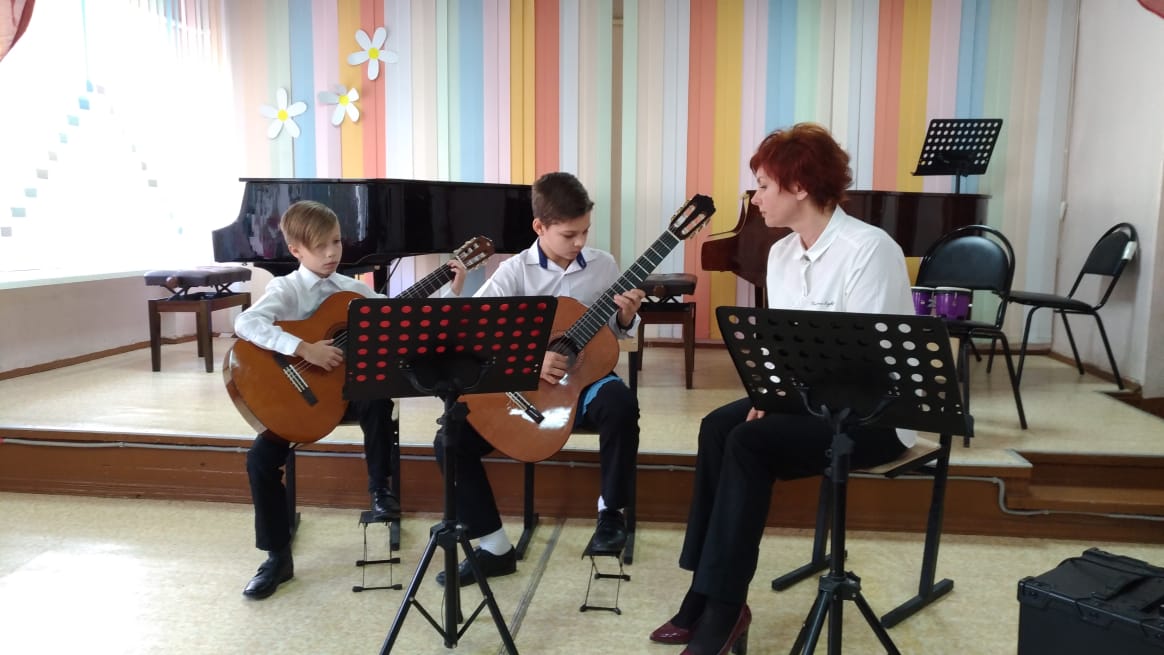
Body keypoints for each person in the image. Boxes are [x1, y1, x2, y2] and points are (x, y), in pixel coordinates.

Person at [650, 123, 914, 654]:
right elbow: (784, 350)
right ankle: (704, 590)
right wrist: (769, 395)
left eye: (764, 185)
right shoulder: (782, 253)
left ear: (799, 186)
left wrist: (779, 401)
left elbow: (868, 366)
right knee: (716, 426)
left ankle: (724, 609)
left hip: (873, 416)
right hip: (810, 401)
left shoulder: (869, 249)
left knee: (749, 442)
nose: (756, 198)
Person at [235, 200, 466, 600]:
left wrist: (450, 288)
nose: (331, 253)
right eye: (320, 246)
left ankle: (380, 490)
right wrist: (304, 348)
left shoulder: (352, 289)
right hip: (298, 396)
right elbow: (246, 322)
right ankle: (276, 557)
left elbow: (402, 318)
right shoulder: (285, 289)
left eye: (337, 242)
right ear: (296, 250)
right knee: (259, 460)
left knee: (376, 395)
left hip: (347, 393)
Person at [432, 171, 645, 587]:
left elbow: (615, 334)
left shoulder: (604, 265)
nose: (580, 242)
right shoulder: (513, 273)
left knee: (620, 404)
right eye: (569, 234)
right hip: (522, 388)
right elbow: (473, 333)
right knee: (449, 441)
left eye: (585, 231)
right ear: (539, 227)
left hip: (585, 383)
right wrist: (530, 360)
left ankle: (611, 515)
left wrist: (625, 317)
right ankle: (494, 547)